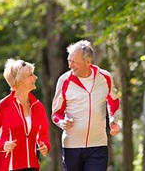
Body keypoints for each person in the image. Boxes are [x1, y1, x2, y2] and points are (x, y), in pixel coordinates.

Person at [51, 40, 121, 171]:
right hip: (72, 146)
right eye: (69, 60)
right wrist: (62, 122)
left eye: (74, 62)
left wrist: (113, 119)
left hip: (98, 145)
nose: (70, 66)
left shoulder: (105, 77)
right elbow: (56, 113)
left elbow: (113, 100)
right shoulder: (64, 81)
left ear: (88, 61)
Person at [0, 58, 51, 171]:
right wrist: (2, 145)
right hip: (7, 167)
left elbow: (43, 133)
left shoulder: (38, 107)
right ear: (20, 80)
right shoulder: (3, 106)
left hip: (32, 165)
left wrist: (45, 145)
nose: (35, 77)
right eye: (31, 75)